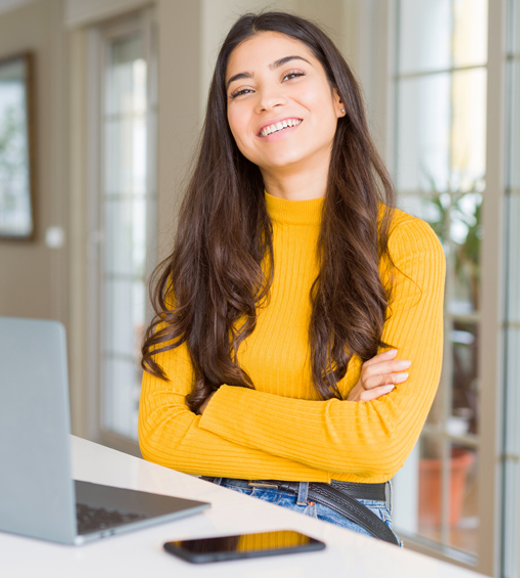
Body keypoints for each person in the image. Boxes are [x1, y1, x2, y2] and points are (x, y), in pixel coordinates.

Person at [138, 12, 445, 545]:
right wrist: (331, 426)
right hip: (206, 512)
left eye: (291, 75)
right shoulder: (201, 255)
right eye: (243, 89)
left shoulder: (403, 246)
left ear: (339, 97)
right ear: (228, 122)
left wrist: (215, 403)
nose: (268, 100)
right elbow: (161, 437)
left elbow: (379, 447)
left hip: (332, 516)